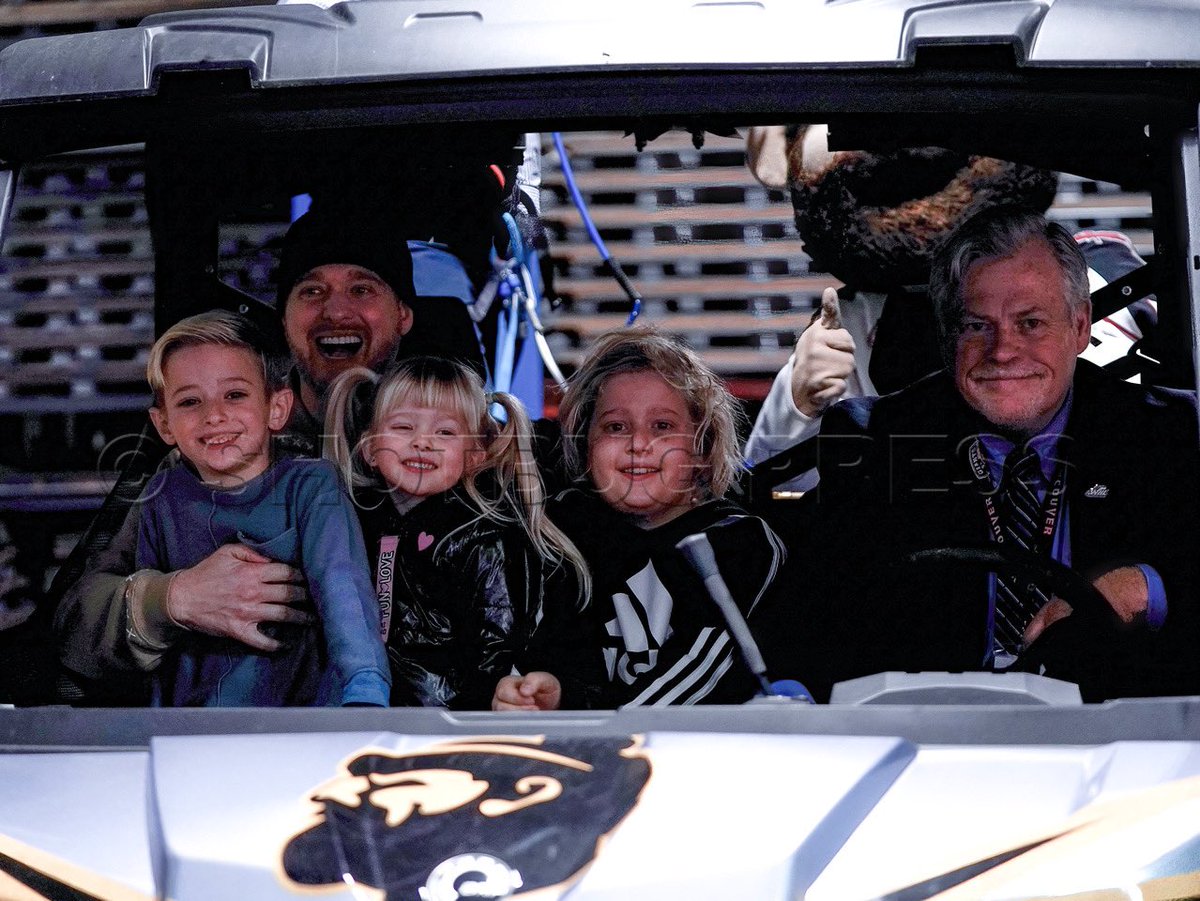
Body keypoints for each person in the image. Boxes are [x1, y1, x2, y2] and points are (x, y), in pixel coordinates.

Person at [796, 208, 1199, 700]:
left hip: (1118, 728)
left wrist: (1146, 586)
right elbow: (824, 617)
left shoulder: (1170, 431)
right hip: (938, 728)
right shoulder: (872, 440)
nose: (1003, 351)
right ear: (948, 339)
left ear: (1079, 326)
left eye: (1030, 323)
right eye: (976, 326)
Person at [51, 208, 421, 697]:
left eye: (362, 289)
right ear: (284, 318)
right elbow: (74, 621)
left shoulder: (459, 446)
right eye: (311, 292)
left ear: (404, 315)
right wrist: (172, 599)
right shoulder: (193, 460)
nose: (335, 312)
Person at [493, 327, 786, 710]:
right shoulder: (563, 532)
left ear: (702, 444)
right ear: (586, 445)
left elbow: (700, 673)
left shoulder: (740, 541)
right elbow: (553, 653)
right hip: (584, 752)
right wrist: (547, 693)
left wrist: (598, 727)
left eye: (662, 427)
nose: (638, 445)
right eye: (616, 427)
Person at [134, 310, 389, 706]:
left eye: (235, 395)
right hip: (188, 724)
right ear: (164, 424)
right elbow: (155, 636)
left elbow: (343, 590)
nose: (214, 415)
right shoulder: (161, 495)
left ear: (277, 408)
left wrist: (365, 692)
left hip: (295, 720)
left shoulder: (311, 485)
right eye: (189, 402)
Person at [323, 355, 590, 709]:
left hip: (450, 717)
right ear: (370, 448)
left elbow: (496, 637)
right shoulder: (355, 522)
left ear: (475, 455)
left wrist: (478, 703)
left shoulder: (480, 535)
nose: (422, 442)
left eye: (445, 432)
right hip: (369, 711)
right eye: (404, 428)